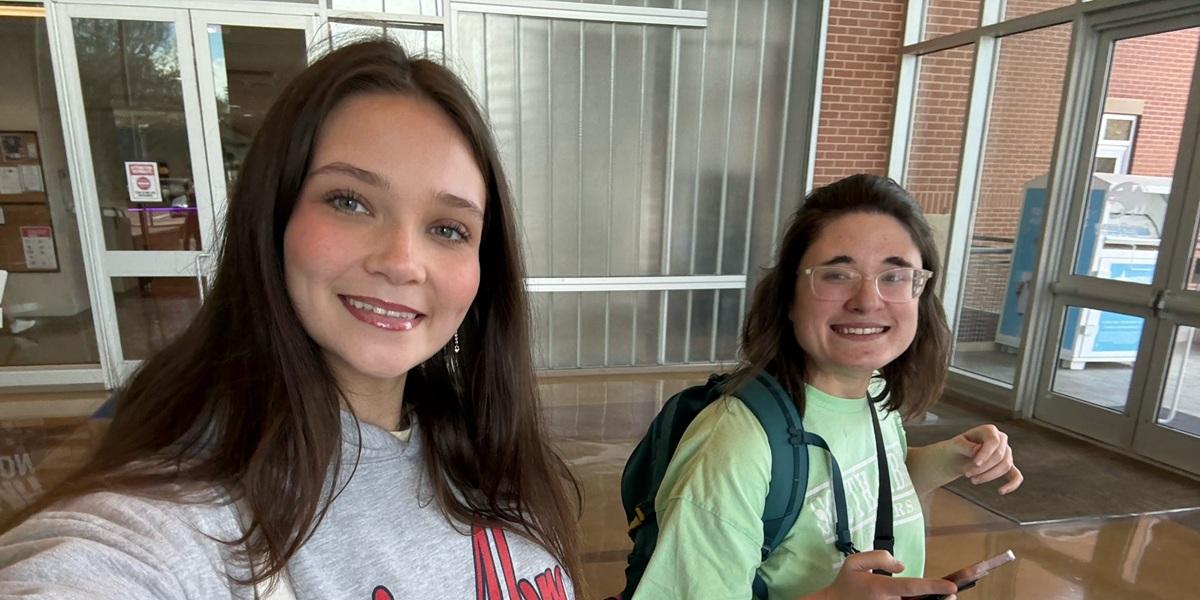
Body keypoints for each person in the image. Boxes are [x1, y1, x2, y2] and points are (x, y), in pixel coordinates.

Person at [0, 40, 581, 599]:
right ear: (273, 217)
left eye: (448, 229)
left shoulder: (484, 444)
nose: (402, 263)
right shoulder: (201, 508)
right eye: (349, 201)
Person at [632, 174, 1023, 600]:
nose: (868, 301)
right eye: (837, 274)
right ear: (788, 298)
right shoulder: (735, 442)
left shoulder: (872, 392)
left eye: (895, 276)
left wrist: (954, 458)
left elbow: (866, 485)